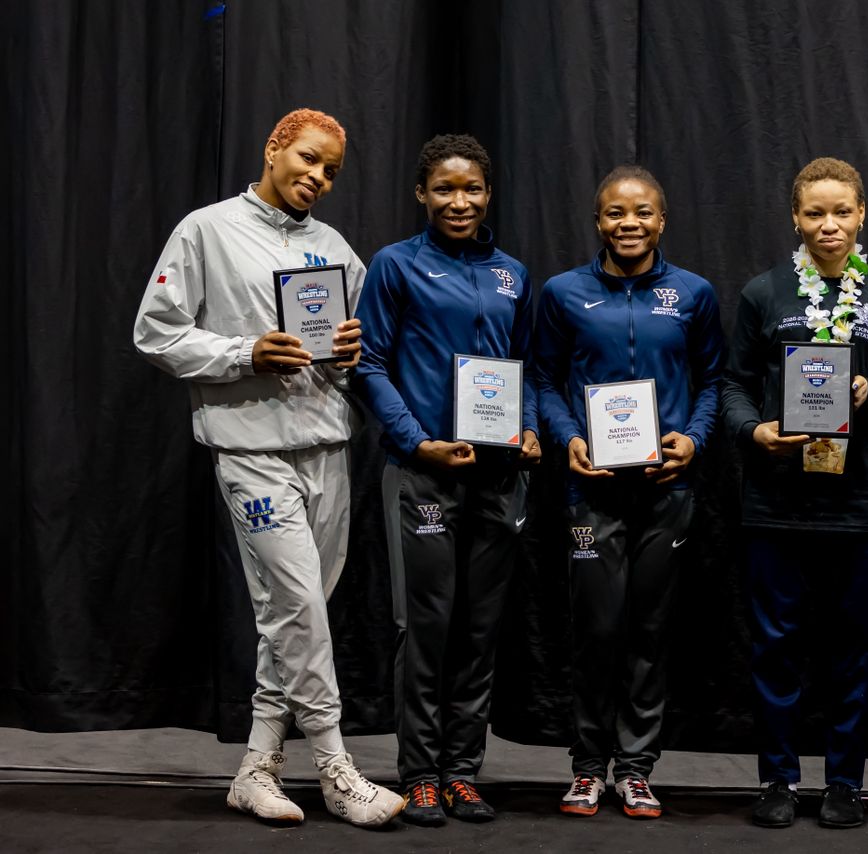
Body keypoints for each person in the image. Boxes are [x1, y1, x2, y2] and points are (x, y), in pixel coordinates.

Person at [133, 108, 404, 827]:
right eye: (308, 159)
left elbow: (356, 359)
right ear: (274, 148)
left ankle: (256, 769)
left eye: (331, 172)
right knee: (299, 606)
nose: (318, 178)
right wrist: (242, 353)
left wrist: (349, 355)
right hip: (250, 449)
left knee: (293, 616)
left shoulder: (336, 249)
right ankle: (336, 768)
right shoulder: (206, 230)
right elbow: (155, 332)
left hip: (328, 447)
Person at [721, 157, 868, 829]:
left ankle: (844, 783)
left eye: (841, 211)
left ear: (862, 213)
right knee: (775, 647)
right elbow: (733, 383)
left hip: (860, 503)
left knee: (853, 650)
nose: (829, 225)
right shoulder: (765, 292)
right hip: (777, 502)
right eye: (815, 213)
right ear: (795, 218)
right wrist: (753, 431)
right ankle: (777, 780)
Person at [354, 134, 540, 827]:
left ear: (488, 194)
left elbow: (525, 367)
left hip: (497, 478)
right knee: (426, 626)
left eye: (472, 189)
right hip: (422, 475)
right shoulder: (396, 265)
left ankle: (462, 772)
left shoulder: (511, 274)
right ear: (421, 194)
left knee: (480, 629)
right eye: (444, 189)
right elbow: (368, 363)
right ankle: (420, 774)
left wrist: (528, 429)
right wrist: (418, 442)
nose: (458, 202)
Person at [532, 166, 724, 820]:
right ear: (598, 221)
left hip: (668, 490)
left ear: (662, 220)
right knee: (597, 628)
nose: (629, 223)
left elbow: (713, 381)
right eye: (615, 212)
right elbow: (544, 380)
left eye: (642, 212)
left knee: (649, 629)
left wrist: (693, 439)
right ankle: (588, 768)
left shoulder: (693, 293)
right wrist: (567, 439)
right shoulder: (564, 293)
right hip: (591, 490)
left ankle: (636, 769)